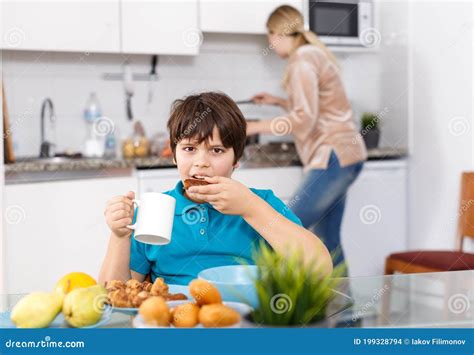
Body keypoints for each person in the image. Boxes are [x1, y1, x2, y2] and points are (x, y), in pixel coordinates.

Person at [99, 91, 332, 285]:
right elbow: (113, 296)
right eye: (189, 149)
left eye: (217, 150)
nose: (201, 162)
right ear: (173, 155)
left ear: (236, 159)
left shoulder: (261, 203)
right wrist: (119, 236)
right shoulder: (152, 213)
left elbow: (320, 270)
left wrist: (250, 208)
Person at [247, 5, 367, 268]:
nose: (270, 43)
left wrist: (252, 127)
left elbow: (304, 119)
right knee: (328, 242)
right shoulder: (311, 54)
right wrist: (279, 102)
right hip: (346, 154)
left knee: (285, 228)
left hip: (333, 155)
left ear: (278, 32)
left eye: (270, 36)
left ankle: (274, 305)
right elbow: (316, 108)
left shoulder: (302, 60)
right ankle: (343, 310)